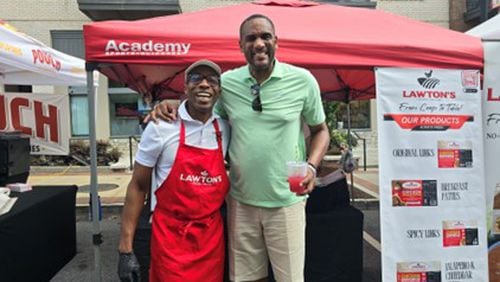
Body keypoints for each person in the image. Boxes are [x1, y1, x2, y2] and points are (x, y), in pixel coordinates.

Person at [149, 14, 330, 282]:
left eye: (265, 36)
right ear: (241, 46)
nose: (259, 44)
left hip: (286, 203)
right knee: (245, 278)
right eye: (251, 38)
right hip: (240, 202)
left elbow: (321, 130)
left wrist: (312, 167)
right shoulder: (229, 83)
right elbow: (204, 110)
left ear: (276, 42)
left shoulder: (303, 81)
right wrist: (174, 104)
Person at [117, 59, 230, 282]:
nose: (205, 84)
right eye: (196, 79)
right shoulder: (160, 127)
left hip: (211, 240)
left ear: (219, 90)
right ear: (185, 87)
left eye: (212, 80)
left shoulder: (225, 128)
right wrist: (125, 249)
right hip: (170, 240)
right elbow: (138, 186)